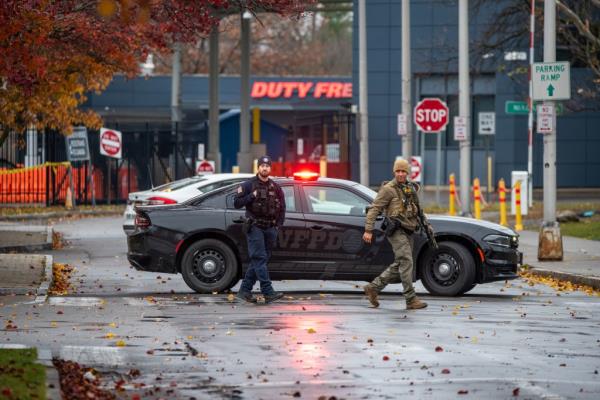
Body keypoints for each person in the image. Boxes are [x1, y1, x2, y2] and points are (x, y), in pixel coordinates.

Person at [362, 158, 429, 310]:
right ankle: (411, 299)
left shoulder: (410, 189)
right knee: (406, 262)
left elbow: (418, 210)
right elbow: (374, 208)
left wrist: (427, 226)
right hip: (396, 231)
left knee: (400, 263)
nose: (400, 174)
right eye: (397, 171)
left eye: (403, 171)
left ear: (407, 173)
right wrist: (368, 229)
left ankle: (373, 287)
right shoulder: (388, 189)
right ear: (394, 172)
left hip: (409, 230)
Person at [233, 155, 286, 304]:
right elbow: (236, 203)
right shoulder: (248, 185)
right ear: (258, 168)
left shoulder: (276, 187)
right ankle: (268, 291)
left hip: (270, 227)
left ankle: (244, 291)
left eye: (267, 166)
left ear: (270, 168)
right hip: (255, 226)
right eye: (262, 165)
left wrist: (277, 226)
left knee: (259, 260)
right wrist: (251, 196)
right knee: (259, 258)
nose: (265, 168)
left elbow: (282, 207)